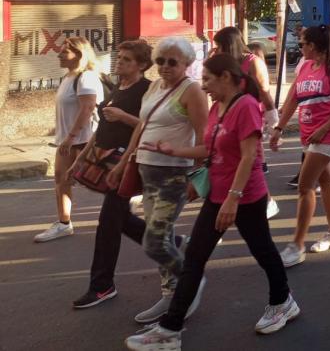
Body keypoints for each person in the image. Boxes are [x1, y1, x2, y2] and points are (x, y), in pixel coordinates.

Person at [125, 54, 298, 350]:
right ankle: (170, 330)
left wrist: (233, 199)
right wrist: (174, 152)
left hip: (244, 196)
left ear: (226, 78)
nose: (203, 86)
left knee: (263, 251)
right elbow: (210, 148)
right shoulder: (218, 106)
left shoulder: (245, 106)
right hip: (219, 193)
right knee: (194, 257)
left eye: (207, 79)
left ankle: (282, 302)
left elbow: (248, 157)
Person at [109, 37, 208, 324]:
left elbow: (204, 139)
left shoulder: (192, 91)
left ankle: (191, 281)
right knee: (161, 238)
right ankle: (170, 293)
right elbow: (142, 124)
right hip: (146, 171)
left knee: (154, 243)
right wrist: (127, 159)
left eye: (172, 62)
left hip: (173, 175)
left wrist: (195, 176)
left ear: (187, 64)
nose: (164, 66)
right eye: (160, 60)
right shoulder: (155, 85)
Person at [71, 41, 153, 308]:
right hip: (106, 159)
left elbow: (149, 126)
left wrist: (124, 117)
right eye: (119, 58)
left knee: (108, 224)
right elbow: (101, 129)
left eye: (127, 60)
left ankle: (102, 285)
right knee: (121, 219)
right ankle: (173, 243)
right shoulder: (118, 87)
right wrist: (81, 159)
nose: (119, 63)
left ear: (141, 65)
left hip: (127, 162)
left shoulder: (146, 89)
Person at [271, 25, 330, 267]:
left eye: (303, 44)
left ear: (313, 46)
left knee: (305, 186)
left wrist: (324, 128)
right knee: (326, 182)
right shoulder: (306, 67)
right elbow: (293, 98)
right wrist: (278, 127)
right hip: (309, 135)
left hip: (327, 136)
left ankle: (297, 245)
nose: (301, 47)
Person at [34, 37, 105, 243]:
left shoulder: (86, 77)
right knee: (61, 180)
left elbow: (88, 108)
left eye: (65, 52)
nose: (59, 54)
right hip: (67, 140)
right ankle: (64, 224)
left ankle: (129, 199)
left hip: (83, 140)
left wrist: (71, 137)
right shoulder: (69, 77)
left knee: (100, 180)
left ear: (79, 55)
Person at [212, 26, 280, 219]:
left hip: (249, 118)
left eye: (220, 46)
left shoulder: (252, 62)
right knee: (231, 162)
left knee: (251, 161)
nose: (217, 50)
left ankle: (265, 200)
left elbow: (264, 93)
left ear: (229, 45)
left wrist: (274, 123)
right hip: (227, 118)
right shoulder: (225, 65)